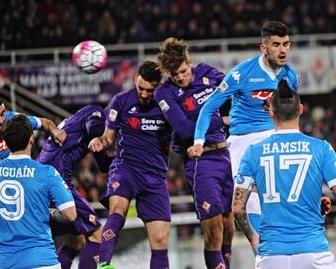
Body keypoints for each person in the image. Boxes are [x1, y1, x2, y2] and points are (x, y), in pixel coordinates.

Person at [232, 80, 336, 268]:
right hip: (314, 251)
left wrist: (253, 238)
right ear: (300, 109)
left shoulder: (253, 152)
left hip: (271, 254)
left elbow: (237, 207)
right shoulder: (322, 149)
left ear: (271, 113)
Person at [188, 21, 298, 238]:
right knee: (250, 200)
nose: (283, 50)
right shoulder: (242, 74)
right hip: (243, 140)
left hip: (274, 134)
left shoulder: (290, 76)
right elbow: (209, 107)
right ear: (264, 48)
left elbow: (291, 113)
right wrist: (199, 141)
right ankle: (261, 252)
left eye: (286, 44)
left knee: (285, 193)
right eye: (276, 44)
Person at [155, 37, 234, 269]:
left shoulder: (207, 73)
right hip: (200, 162)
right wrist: (223, 120)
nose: (179, 78)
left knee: (229, 227)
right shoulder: (165, 93)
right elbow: (185, 129)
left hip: (225, 156)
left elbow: (234, 90)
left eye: (182, 71)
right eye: (174, 74)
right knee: (214, 229)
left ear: (189, 63)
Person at [88, 61, 171, 269]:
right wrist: (100, 141)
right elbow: (108, 137)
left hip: (155, 175)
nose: (143, 94)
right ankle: (104, 264)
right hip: (126, 167)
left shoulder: (167, 105)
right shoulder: (121, 100)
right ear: (135, 81)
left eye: (149, 91)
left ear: (158, 86)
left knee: (160, 240)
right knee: (118, 210)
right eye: (140, 88)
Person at [36, 105, 112, 269]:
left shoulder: (79, 119)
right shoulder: (97, 113)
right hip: (56, 178)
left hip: (43, 177)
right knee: (97, 235)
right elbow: (94, 127)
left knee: (75, 241)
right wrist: (103, 135)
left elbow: (105, 165)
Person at [0, 114, 77, 269]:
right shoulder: (47, 172)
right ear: (31, 139)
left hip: (4, 262)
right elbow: (71, 214)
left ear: (5, 142)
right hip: (42, 260)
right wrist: (51, 213)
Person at [0, 96, 65, 160]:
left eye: (3, 113)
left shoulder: (13, 119)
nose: (1, 120)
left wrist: (55, 131)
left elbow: (45, 123)